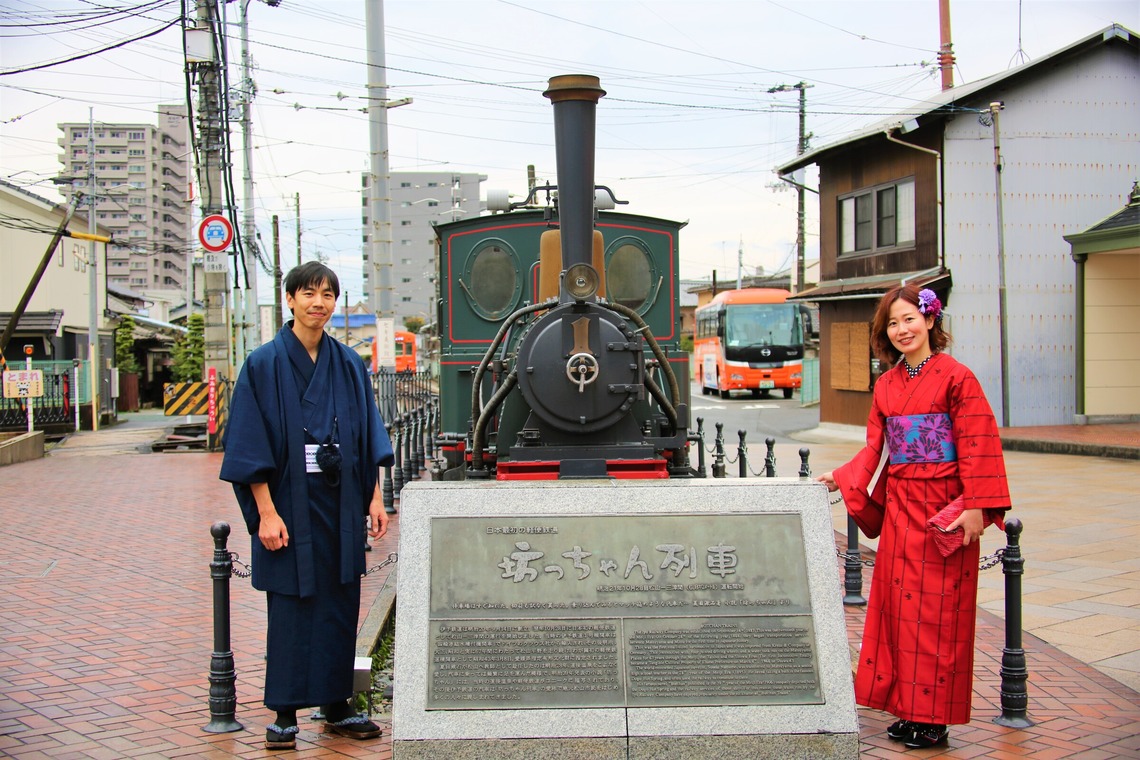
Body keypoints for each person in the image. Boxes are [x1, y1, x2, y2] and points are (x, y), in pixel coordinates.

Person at [817, 284, 1011, 750]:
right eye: (892, 323)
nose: (902, 329)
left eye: (910, 319)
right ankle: (908, 709)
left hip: (944, 505)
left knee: (939, 614)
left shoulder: (957, 378)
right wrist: (844, 477)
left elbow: (978, 444)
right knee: (898, 611)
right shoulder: (886, 385)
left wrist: (976, 507)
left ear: (930, 321)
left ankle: (934, 718)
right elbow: (875, 449)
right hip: (904, 505)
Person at [220, 262, 394, 750]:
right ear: (290, 299)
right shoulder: (263, 364)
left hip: (340, 498)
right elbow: (249, 446)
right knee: (294, 605)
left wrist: (375, 497)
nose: (319, 302)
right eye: (309, 293)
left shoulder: (348, 365)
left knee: (340, 601)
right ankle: (284, 711)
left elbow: (367, 435)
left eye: (328, 295)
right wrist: (266, 513)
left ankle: (338, 705)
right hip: (288, 501)